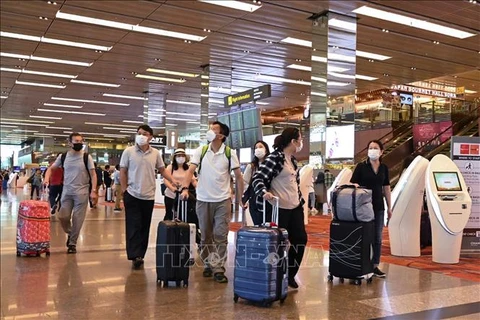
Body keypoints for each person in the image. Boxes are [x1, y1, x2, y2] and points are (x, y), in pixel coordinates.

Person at [180, 121, 244, 283]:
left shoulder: (229, 153)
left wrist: (240, 198)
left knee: (220, 235)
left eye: (213, 130)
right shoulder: (201, 151)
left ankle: (218, 267)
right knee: (206, 235)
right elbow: (191, 171)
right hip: (203, 199)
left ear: (221, 136)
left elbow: (238, 177)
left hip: (223, 200)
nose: (210, 132)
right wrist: (185, 188)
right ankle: (208, 262)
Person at [252, 127, 308, 289]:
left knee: (300, 240)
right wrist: (264, 192)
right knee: (278, 244)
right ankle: (274, 275)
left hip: (295, 207)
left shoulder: (292, 160)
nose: (301, 142)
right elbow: (258, 178)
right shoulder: (275, 158)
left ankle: (289, 274)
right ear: (293, 141)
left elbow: (293, 184)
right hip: (278, 209)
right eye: (300, 138)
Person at [120, 124, 178, 269]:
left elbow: (162, 169)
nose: (141, 135)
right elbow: (123, 171)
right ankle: (134, 255)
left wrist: (172, 180)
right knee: (134, 224)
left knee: (145, 226)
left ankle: (141, 254)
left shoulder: (155, 153)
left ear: (151, 137)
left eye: (144, 133)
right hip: (132, 193)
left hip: (148, 195)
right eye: (139, 133)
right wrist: (124, 190)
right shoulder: (128, 152)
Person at [45, 133, 97, 254]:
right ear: (69, 143)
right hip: (67, 191)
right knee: (63, 216)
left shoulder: (86, 157)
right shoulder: (63, 157)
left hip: (82, 192)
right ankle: (70, 233)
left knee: (77, 219)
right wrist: (46, 178)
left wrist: (93, 191)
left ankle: (72, 243)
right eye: (76, 141)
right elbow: (51, 168)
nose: (78, 143)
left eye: (80, 141)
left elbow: (93, 174)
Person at [350, 139, 392, 278]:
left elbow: (386, 187)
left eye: (375, 148)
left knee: (377, 237)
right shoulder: (361, 167)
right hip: (364, 207)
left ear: (381, 151)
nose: (372, 150)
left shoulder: (384, 168)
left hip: (379, 206)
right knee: (363, 235)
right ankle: (361, 264)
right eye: (370, 147)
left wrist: (389, 207)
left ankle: (375, 265)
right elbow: (353, 184)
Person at [163, 148, 197, 221]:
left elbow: (193, 180)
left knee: (183, 214)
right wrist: (173, 189)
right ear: (175, 157)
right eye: (178, 156)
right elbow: (166, 180)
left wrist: (198, 187)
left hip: (183, 195)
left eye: (182, 155)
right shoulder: (170, 167)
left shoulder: (188, 168)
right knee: (170, 214)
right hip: (170, 195)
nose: (181, 157)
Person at [242, 140, 270, 226]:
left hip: (269, 199)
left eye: (261, 147)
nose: (258, 149)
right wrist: (245, 199)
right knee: (257, 224)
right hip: (254, 200)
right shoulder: (251, 167)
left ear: (266, 149)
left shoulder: (271, 165)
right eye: (256, 148)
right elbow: (245, 183)